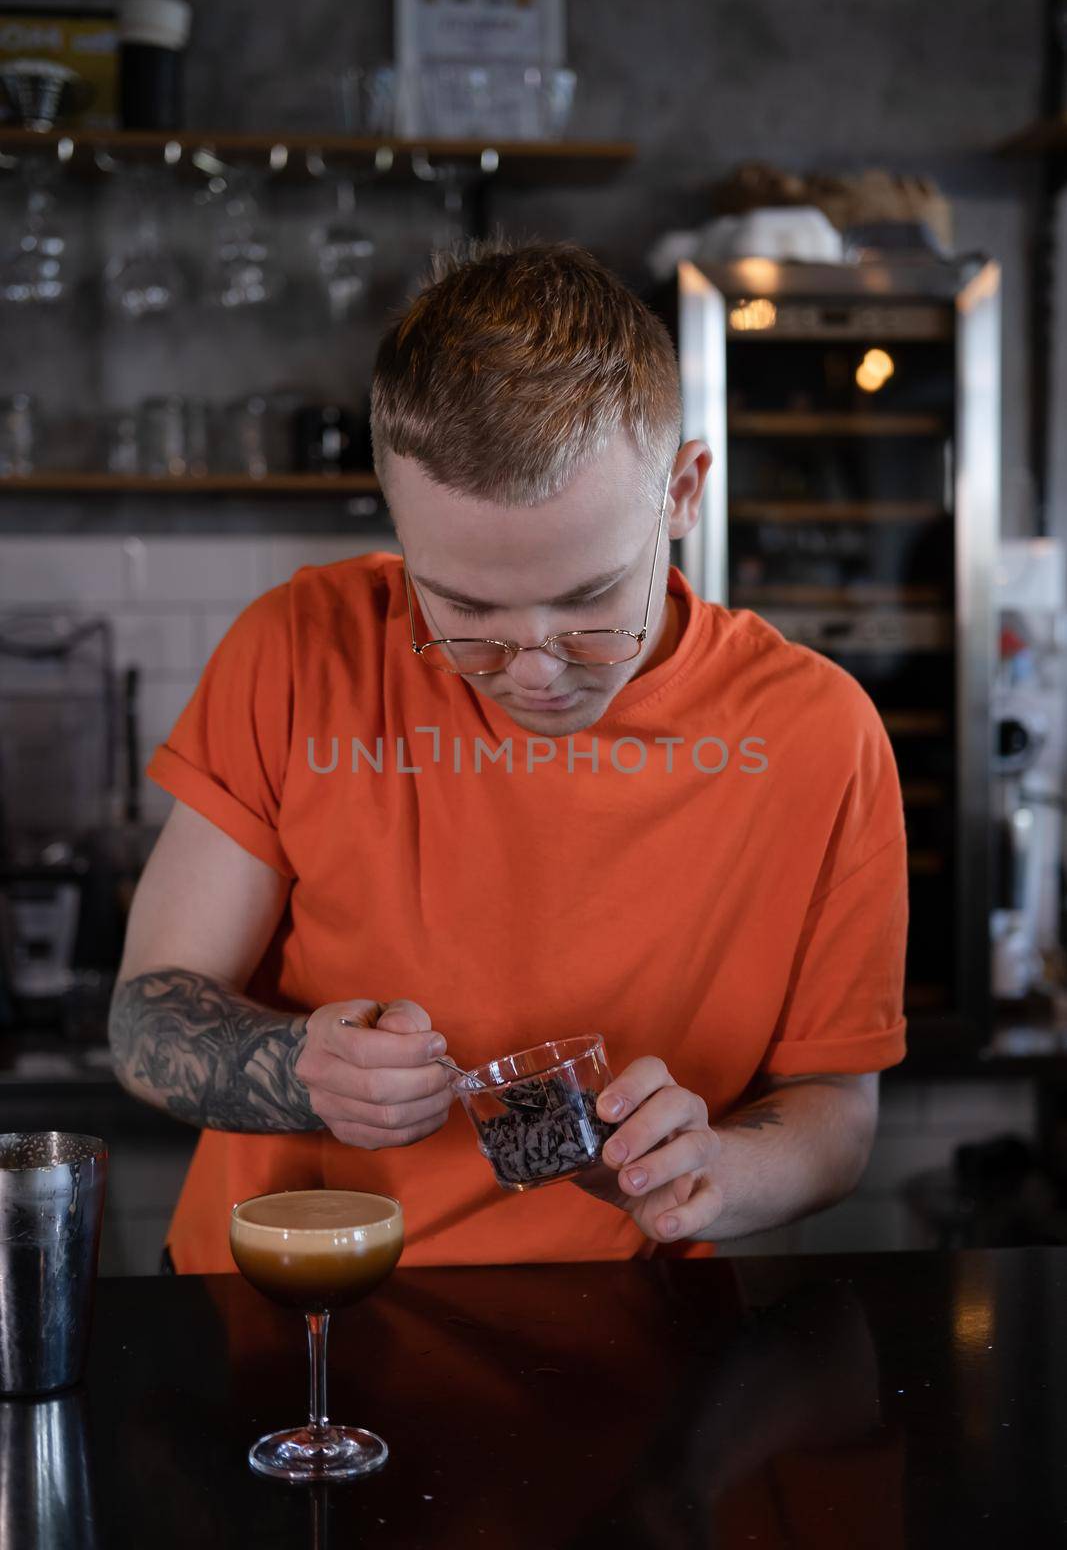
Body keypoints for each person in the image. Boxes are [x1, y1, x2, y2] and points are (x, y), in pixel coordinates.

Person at [109, 238, 908, 1274]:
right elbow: (146, 1014)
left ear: (681, 490)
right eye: (465, 611)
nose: (533, 670)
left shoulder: (818, 735)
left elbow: (836, 1115)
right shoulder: (302, 646)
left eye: (588, 605)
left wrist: (713, 1169)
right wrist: (300, 1067)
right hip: (280, 1299)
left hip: (611, 1338)